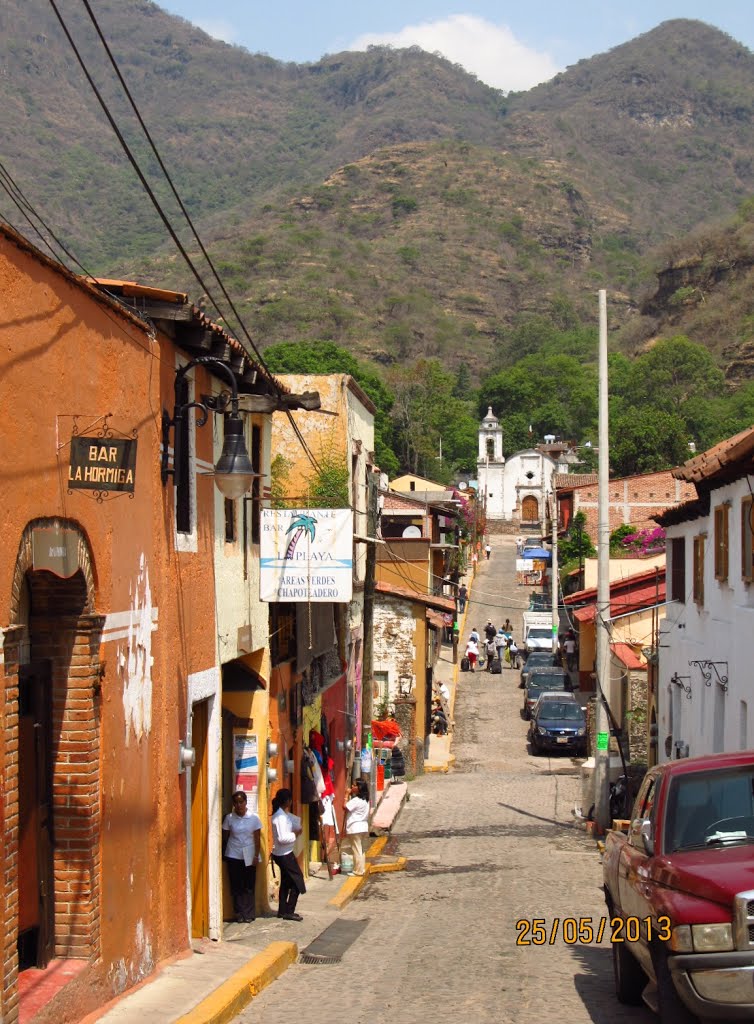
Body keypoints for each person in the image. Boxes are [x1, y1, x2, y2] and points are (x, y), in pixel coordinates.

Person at [222, 791, 262, 923]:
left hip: (249, 854)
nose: (239, 805)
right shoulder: (229, 818)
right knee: (236, 885)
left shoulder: (254, 818)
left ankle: (249, 913)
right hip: (233, 854)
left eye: (241, 802)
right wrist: (223, 854)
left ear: (246, 802)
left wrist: (256, 855)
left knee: (249, 885)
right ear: (233, 804)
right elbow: (225, 837)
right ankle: (239, 913)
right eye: (236, 803)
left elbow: (257, 839)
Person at [271, 788, 306, 921]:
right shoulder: (280, 817)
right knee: (297, 881)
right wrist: (295, 834)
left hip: (285, 853)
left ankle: (283, 910)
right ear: (288, 801)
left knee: (286, 882)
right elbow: (282, 838)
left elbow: (292, 820)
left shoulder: (283, 815)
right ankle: (289, 910)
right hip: (284, 854)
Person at [342, 779, 370, 876]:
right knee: (360, 849)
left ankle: (358, 870)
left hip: (355, 827)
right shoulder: (366, 800)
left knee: (356, 849)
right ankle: (360, 868)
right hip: (363, 827)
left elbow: (345, 807)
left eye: (354, 785)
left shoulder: (356, 801)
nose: (352, 787)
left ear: (359, 788)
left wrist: (346, 794)